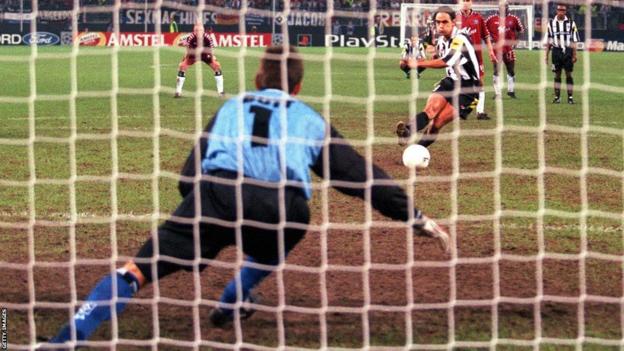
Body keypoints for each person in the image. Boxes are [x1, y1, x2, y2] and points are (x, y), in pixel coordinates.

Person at [42, 45, 450, 349]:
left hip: (217, 196)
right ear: (298, 85)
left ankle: (65, 341)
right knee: (274, 244)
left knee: (135, 271)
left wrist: (197, 221)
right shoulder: (308, 117)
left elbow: (189, 175)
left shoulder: (230, 108)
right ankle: (234, 298)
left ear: (258, 79)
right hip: (283, 208)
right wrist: (413, 216)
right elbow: (358, 176)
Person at [395, 6, 480, 148]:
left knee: (436, 123)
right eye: (438, 22)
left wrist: (418, 63)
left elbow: (445, 62)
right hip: (450, 81)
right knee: (430, 110)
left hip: (469, 89)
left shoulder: (460, 39)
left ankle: (417, 150)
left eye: (445, 22)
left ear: (454, 22)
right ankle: (407, 131)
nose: (441, 25)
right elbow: (435, 59)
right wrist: (410, 67)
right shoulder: (441, 41)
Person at [456, 0, 497, 120]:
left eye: (467, 0)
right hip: (460, 57)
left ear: (471, 2)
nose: (465, 3)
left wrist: (490, 51)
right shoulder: (455, 18)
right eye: (463, 1)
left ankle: (480, 111)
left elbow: (486, 36)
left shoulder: (478, 18)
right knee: (461, 84)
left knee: (480, 83)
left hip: (476, 57)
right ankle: (460, 109)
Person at [485, 2, 524, 99]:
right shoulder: (491, 19)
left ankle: (511, 91)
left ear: (508, 8)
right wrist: (489, 42)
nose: (503, 8)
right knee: (496, 70)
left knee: (511, 70)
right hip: (496, 49)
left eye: (505, 7)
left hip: (509, 49)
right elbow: (484, 31)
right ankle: (497, 93)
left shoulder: (514, 19)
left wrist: (516, 41)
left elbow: (521, 30)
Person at [175, 22, 224, 98]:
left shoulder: (208, 38)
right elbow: (187, 50)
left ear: (203, 30)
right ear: (194, 30)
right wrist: (185, 59)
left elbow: (211, 51)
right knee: (182, 66)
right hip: (194, 55)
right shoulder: (191, 37)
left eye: (200, 30)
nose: (198, 32)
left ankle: (220, 92)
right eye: (196, 30)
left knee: (217, 66)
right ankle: (178, 92)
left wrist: (212, 58)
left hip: (205, 55)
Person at [545, 3, 579, 104]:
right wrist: (546, 56)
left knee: (568, 74)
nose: (561, 12)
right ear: (556, 11)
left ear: (566, 11)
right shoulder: (551, 24)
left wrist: (574, 54)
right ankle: (557, 97)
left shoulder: (571, 23)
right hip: (556, 52)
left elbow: (575, 40)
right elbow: (548, 42)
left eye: (563, 10)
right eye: (559, 10)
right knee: (557, 75)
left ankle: (570, 97)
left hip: (568, 51)